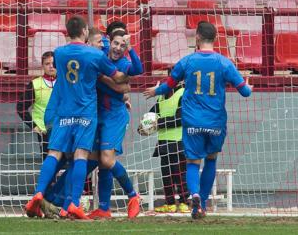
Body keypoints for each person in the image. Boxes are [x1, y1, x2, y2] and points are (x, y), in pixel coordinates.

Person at [143, 21, 252, 219]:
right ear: (216, 39)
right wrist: (249, 87)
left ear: (198, 37)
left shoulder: (187, 61)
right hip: (215, 122)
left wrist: (155, 91)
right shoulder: (224, 62)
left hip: (192, 121)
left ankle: (193, 197)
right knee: (211, 159)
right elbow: (244, 92)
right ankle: (201, 201)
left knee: (192, 162)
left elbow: (169, 85)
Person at [24, 16, 127, 220]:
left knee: (54, 153)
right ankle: (73, 204)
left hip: (64, 112)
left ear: (67, 32)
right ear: (84, 32)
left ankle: (38, 194)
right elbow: (117, 77)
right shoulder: (94, 55)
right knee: (81, 156)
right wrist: (127, 76)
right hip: (86, 113)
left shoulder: (59, 53)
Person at [86, 27, 143, 220]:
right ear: (108, 42)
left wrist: (132, 48)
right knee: (102, 163)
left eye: (122, 45)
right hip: (97, 114)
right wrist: (119, 88)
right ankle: (103, 208)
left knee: (107, 160)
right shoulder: (100, 54)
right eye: (116, 43)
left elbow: (138, 70)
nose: (118, 47)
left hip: (114, 116)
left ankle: (133, 196)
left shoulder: (125, 63)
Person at [142, 80, 190, 214]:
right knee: (166, 175)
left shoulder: (183, 94)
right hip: (163, 142)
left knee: (179, 174)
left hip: (179, 141)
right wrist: (145, 124)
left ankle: (184, 202)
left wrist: (158, 123)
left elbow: (180, 119)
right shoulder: (161, 97)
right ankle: (170, 203)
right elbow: (152, 116)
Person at [16, 51, 56, 158]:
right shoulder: (35, 84)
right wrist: (34, 126)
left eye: (53, 63)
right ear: (42, 66)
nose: (51, 66)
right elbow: (21, 107)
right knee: (49, 163)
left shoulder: (64, 82)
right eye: (47, 64)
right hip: (45, 131)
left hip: (64, 128)